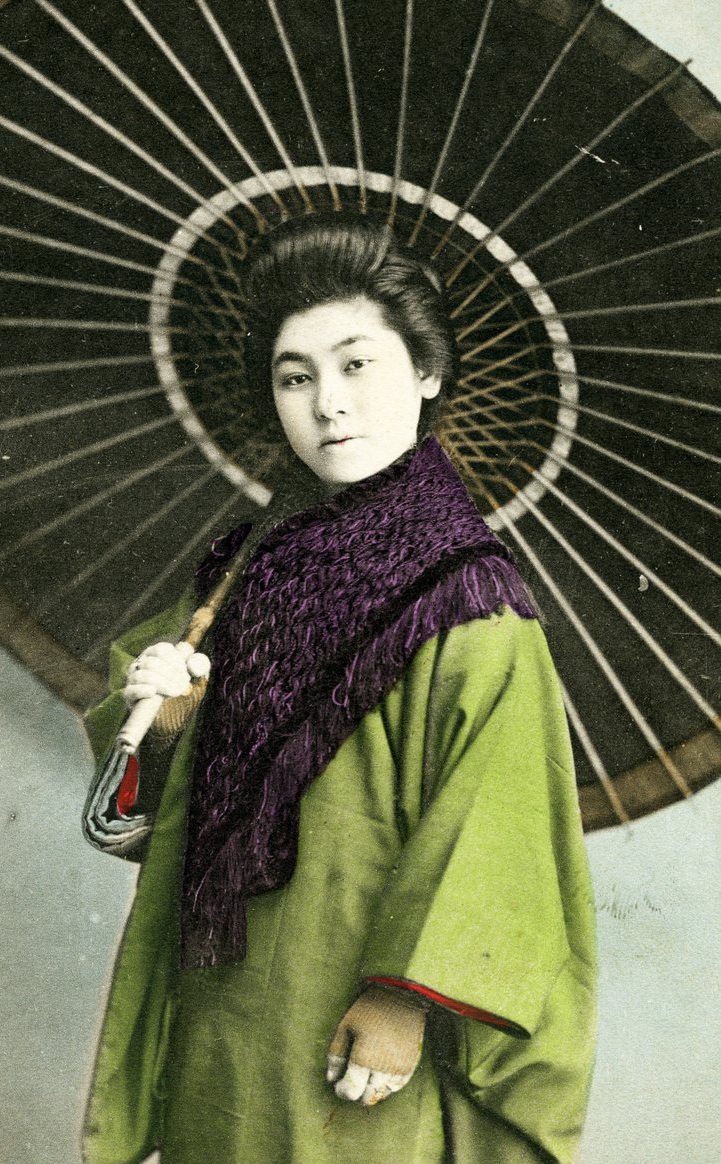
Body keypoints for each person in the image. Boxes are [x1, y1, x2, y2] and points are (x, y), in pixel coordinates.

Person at [81, 216, 596, 1164]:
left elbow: (499, 824)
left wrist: (405, 995)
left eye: (357, 364)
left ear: (428, 372)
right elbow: (165, 798)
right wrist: (165, 721)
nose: (328, 405)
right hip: (222, 989)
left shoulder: (470, 597)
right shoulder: (245, 561)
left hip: (355, 1004)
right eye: (295, 376)